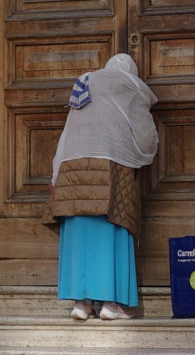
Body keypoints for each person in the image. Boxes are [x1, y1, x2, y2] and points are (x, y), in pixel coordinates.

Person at [49, 51, 160, 321]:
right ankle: (111, 305)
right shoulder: (129, 85)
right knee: (113, 226)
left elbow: (66, 136)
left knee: (79, 233)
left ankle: (81, 304)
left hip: (72, 169)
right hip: (112, 166)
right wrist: (145, 155)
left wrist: (56, 177)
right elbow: (146, 135)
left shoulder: (85, 83)